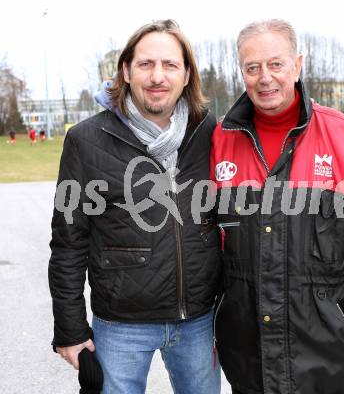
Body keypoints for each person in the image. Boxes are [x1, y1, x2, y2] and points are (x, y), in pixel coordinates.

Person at [210, 19, 344, 394]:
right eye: (252, 67)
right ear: (241, 72)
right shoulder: (220, 141)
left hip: (327, 357)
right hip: (248, 357)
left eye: (275, 64)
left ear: (298, 65)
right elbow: (204, 247)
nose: (264, 78)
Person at [49, 20, 221, 394]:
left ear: (186, 73)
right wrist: (70, 328)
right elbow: (68, 241)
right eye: (145, 64)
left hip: (199, 322)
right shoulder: (86, 140)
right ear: (126, 70)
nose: (157, 76)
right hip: (120, 326)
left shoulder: (212, 133)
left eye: (170, 65)